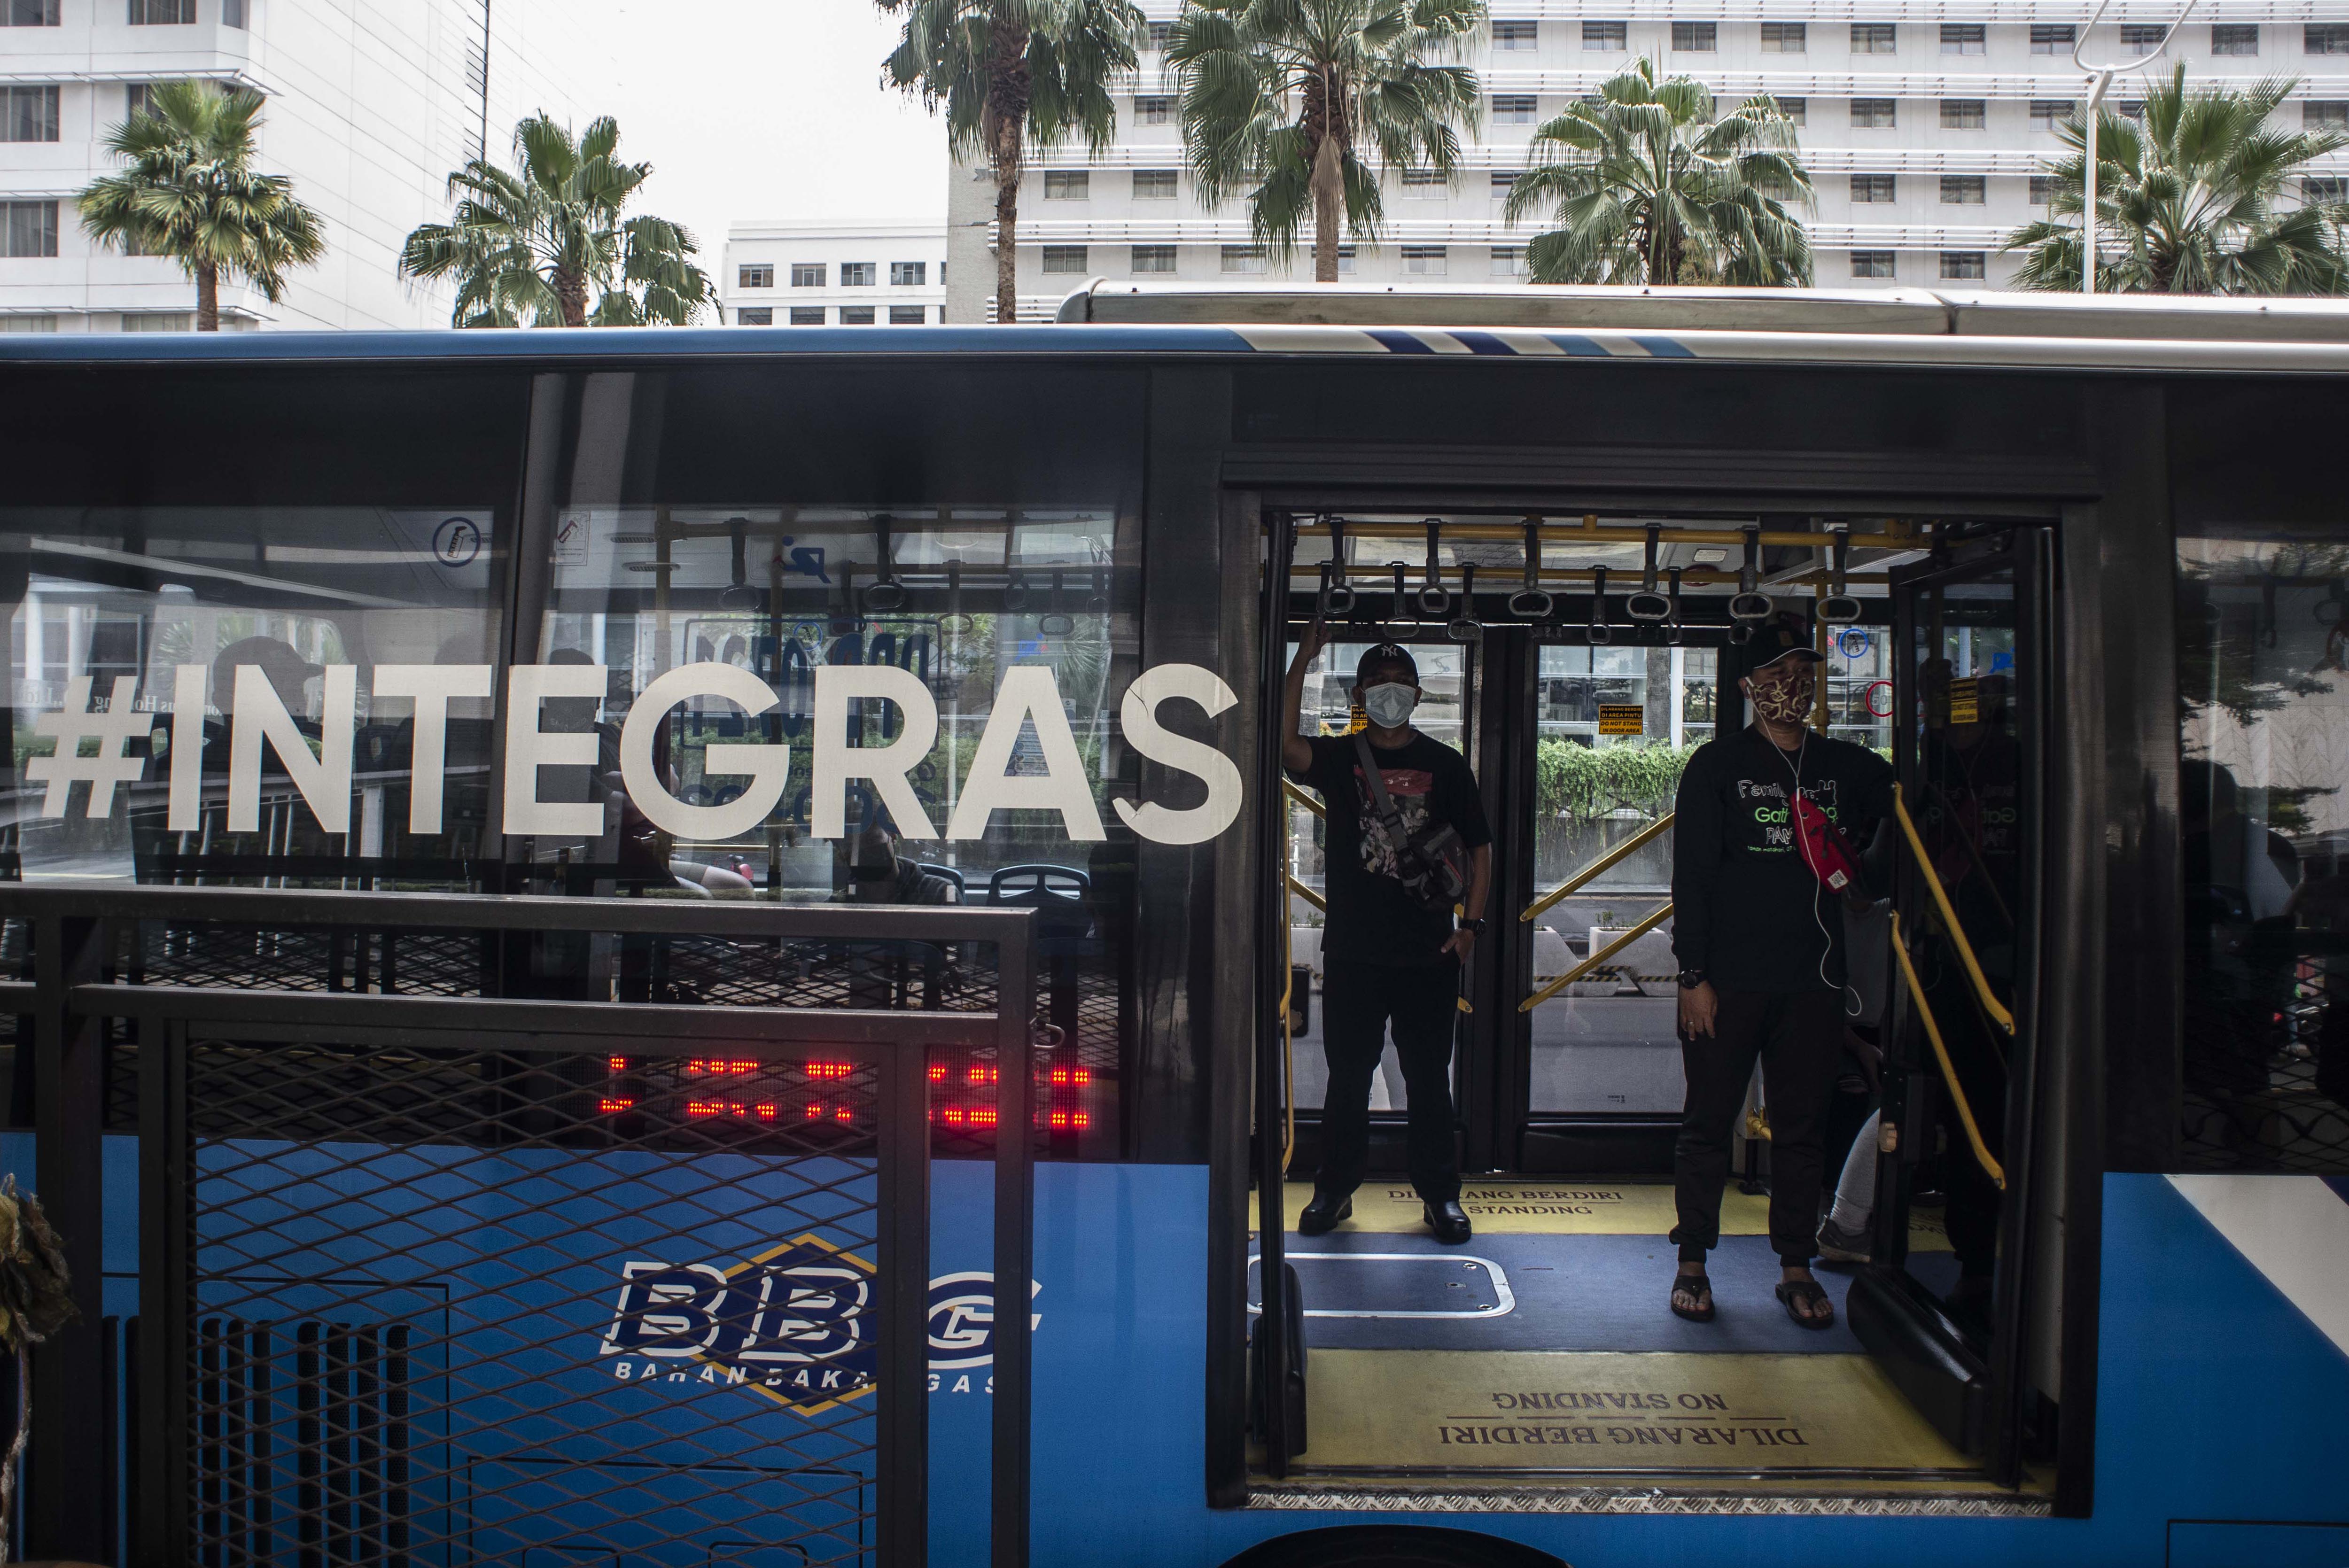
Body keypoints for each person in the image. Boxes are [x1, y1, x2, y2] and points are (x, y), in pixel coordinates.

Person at [1669, 614, 1895, 1327]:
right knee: (1708, 1125)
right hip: (1726, 980)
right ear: (1746, 686)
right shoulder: (1716, 766)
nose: (1791, 687)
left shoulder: (1846, 768)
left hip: (1813, 981)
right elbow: (1692, 876)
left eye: (1803, 674)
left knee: (1802, 1131)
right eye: (1775, 675)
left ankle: (1796, 1266)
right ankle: (1693, 1259)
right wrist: (1692, 976)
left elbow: (1905, 808)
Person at [1282, 628, 1493, 1244]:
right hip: (1355, 952)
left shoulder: (1446, 765)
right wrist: (1302, 658)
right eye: (1378, 684)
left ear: (1419, 696)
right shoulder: (1339, 759)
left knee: (1428, 1079)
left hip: (1430, 952)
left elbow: (1481, 849)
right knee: (1348, 1078)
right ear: (1359, 695)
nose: (1390, 694)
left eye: (1401, 684)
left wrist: (1471, 927)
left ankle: (1440, 1195)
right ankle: (1335, 1188)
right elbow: (1284, 744)